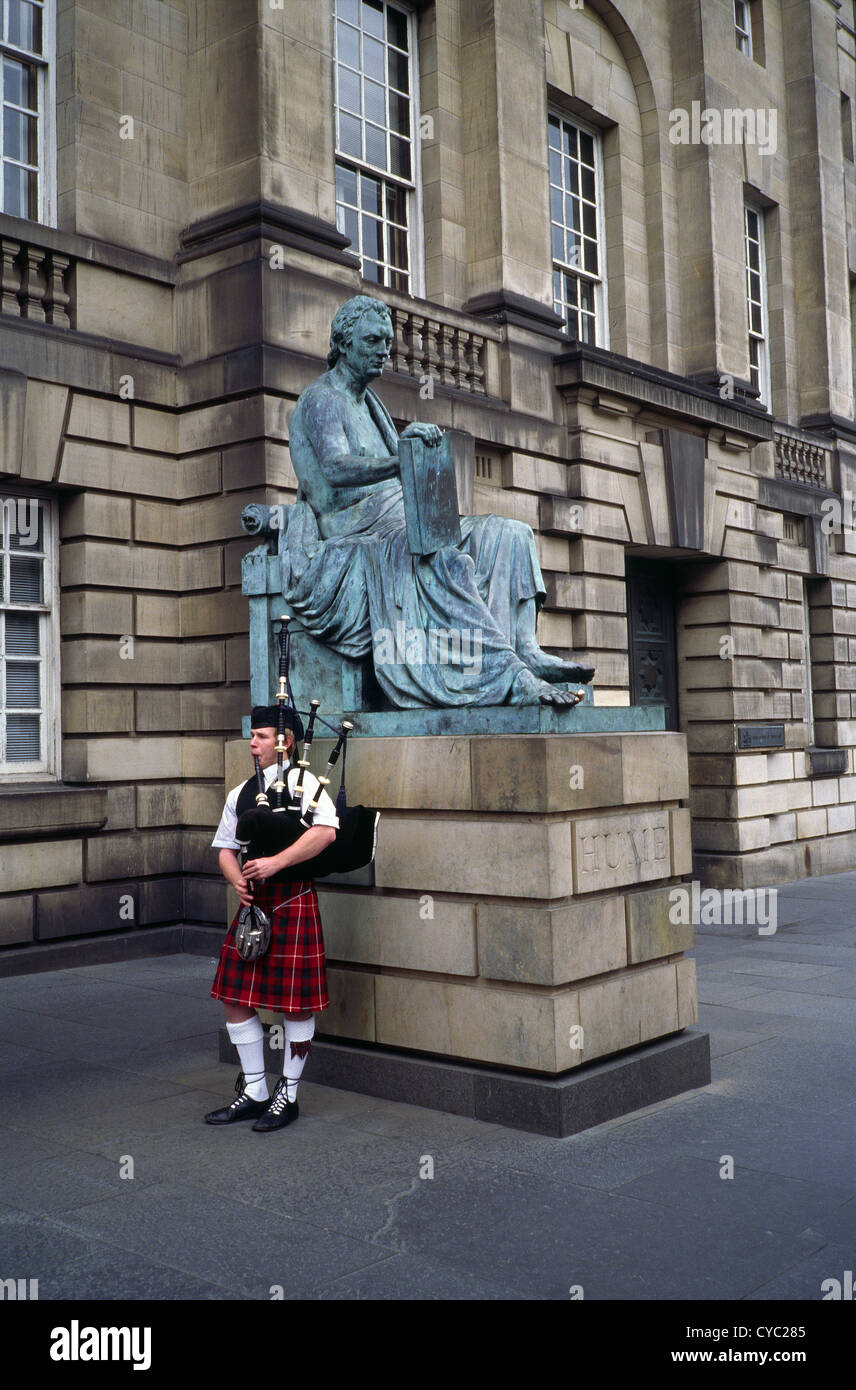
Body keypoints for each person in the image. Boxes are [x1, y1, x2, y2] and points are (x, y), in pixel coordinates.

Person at [279, 294, 595, 708]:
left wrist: (411, 450)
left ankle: (525, 647)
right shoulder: (321, 398)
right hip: (357, 531)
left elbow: (398, 474)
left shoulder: (370, 403)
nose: (384, 352)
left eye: (388, 343)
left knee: (509, 533)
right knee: (443, 557)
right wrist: (400, 461)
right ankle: (507, 676)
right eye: (373, 341)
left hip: (402, 519)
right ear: (343, 343)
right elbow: (336, 469)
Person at [205, 706, 338, 1132]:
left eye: (261, 736)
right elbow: (226, 847)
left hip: (292, 898)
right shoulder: (240, 792)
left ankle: (290, 1095)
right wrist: (236, 882)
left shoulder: (308, 784)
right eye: (253, 736)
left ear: (287, 742)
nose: (253, 743)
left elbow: (326, 832)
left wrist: (275, 863)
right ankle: (256, 1089)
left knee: (294, 1003)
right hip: (254, 905)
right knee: (235, 998)